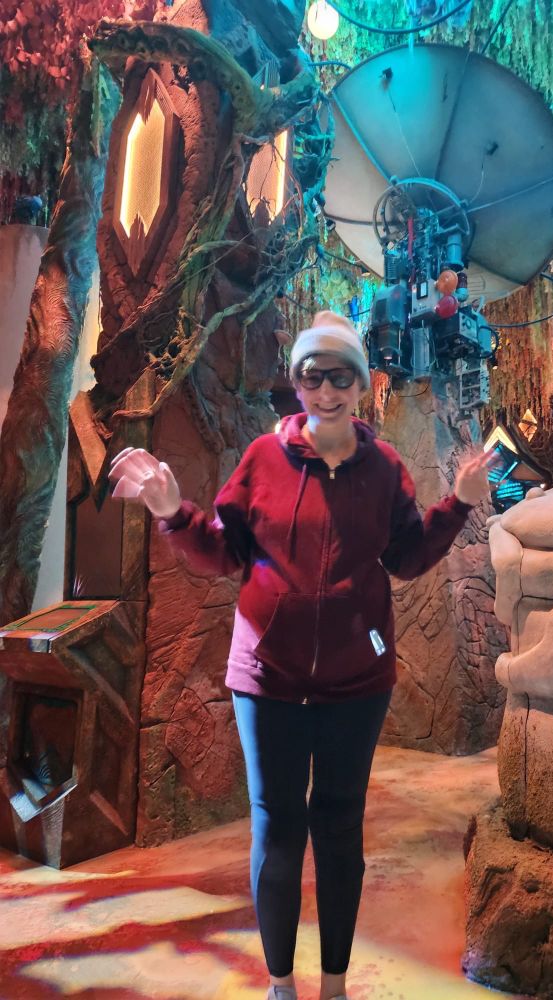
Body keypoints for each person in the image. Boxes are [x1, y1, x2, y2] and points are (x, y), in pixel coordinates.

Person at [109, 310, 497, 1000]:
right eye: (313, 376)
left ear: (360, 384)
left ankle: (336, 986)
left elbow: (405, 557)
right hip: (268, 679)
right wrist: (173, 511)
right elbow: (223, 552)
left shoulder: (384, 469)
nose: (326, 390)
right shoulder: (262, 460)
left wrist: (457, 506)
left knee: (340, 828)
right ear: (297, 382)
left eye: (340, 375)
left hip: (358, 682)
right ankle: (282, 985)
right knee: (279, 827)